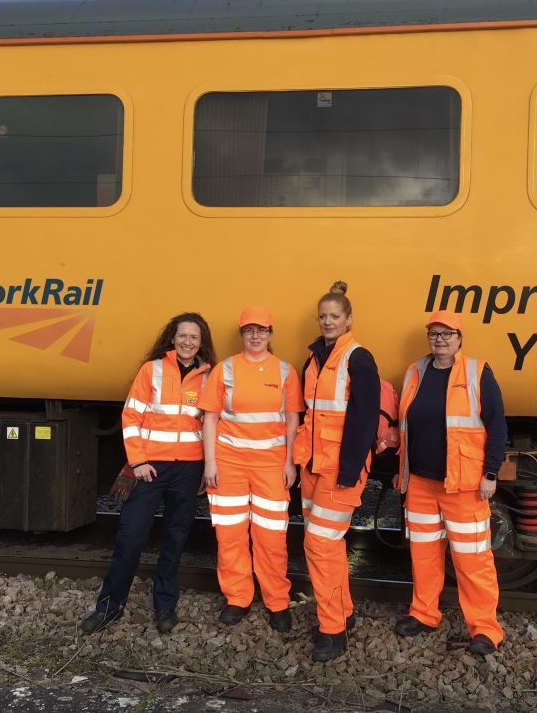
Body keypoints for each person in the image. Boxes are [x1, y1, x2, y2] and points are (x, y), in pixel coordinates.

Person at [80, 312, 216, 635]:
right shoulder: (152, 370)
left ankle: (165, 606)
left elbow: (213, 425)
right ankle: (109, 607)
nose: (187, 342)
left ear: (201, 343)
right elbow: (131, 417)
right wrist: (138, 461)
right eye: (182, 336)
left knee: (175, 539)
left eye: (193, 338)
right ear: (172, 338)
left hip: (187, 469)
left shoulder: (210, 377)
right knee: (131, 537)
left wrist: (207, 466)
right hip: (150, 469)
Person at [393, 310, 506, 655]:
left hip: (464, 484)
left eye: (447, 334)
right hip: (422, 484)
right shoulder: (415, 372)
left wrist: (490, 473)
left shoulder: (477, 372)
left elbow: (497, 424)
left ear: (459, 339)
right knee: (424, 555)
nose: (440, 340)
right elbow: (406, 426)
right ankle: (424, 614)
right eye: (434, 334)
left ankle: (485, 629)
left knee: (472, 560)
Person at [200, 306, 303, 633]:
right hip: (229, 464)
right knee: (229, 535)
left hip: (271, 466)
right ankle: (238, 598)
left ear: (270, 334)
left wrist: (290, 462)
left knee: (271, 537)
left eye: (261, 330)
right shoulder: (225, 369)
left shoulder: (285, 371)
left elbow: (291, 421)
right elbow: (211, 418)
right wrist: (210, 463)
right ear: (242, 335)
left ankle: (277, 602)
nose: (255, 336)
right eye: (249, 330)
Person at [293, 281, 380, 662]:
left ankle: (333, 631)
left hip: (339, 470)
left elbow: (364, 420)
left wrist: (348, 470)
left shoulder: (359, 358)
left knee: (319, 545)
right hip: (313, 466)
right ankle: (342, 613)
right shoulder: (313, 359)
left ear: (349, 320)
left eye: (335, 316)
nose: (328, 321)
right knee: (330, 547)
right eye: (324, 316)